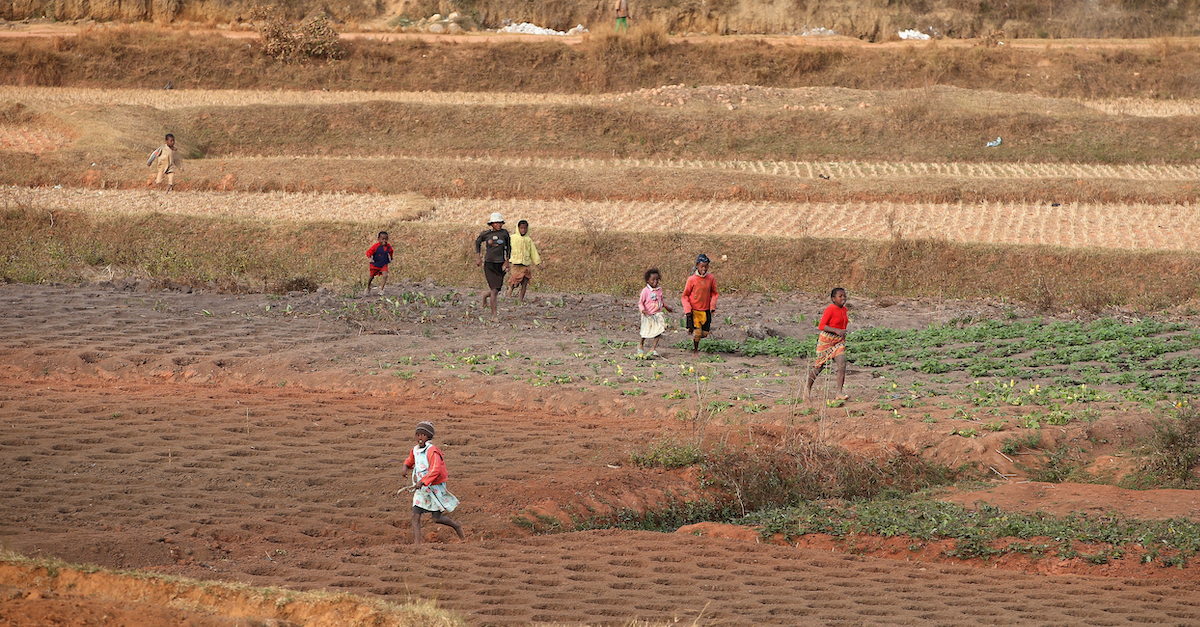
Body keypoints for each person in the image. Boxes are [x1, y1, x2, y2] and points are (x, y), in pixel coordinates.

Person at [404, 421, 465, 546]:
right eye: (417, 435)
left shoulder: (432, 451)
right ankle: (417, 545)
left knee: (437, 518)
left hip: (434, 487)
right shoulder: (415, 450)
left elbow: (435, 469)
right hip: (422, 488)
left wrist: (423, 481)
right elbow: (411, 460)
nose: (419, 437)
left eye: (423, 435)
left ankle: (456, 526)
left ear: (428, 437)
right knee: (415, 514)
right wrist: (405, 466)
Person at [805, 287, 850, 401]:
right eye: (840, 296)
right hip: (826, 340)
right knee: (819, 367)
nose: (843, 298)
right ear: (833, 299)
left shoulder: (844, 309)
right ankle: (807, 389)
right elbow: (821, 326)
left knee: (842, 365)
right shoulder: (830, 309)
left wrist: (841, 332)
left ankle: (839, 393)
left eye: (844, 296)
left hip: (839, 341)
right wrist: (836, 330)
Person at [474, 212, 511, 320]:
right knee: (495, 290)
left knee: (497, 288)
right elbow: (477, 242)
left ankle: (486, 295)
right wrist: (479, 257)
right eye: (496, 223)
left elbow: (509, 247)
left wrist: (507, 261)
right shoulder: (486, 234)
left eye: (500, 223)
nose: (499, 225)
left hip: (500, 264)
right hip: (489, 264)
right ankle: (495, 316)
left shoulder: (505, 233)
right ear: (492, 224)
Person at [681, 254, 718, 357]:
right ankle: (695, 351)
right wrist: (687, 308)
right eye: (702, 266)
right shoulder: (691, 279)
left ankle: (692, 328)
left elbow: (714, 293)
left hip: (705, 310)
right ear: (697, 266)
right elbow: (685, 296)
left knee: (704, 334)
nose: (704, 269)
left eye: (706, 266)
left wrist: (713, 306)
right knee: (698, 333)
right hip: (695, 310)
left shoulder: (710, 278)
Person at [638, 268, 673, 358]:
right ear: (648, 280)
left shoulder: (659, 290)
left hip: (657, 314)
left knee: (659, 330)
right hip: (648, 315)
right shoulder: (645, 291)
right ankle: (641, 344)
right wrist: (642, 310)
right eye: (653, 279)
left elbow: (661, 301)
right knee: (645, 332)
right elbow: (640, 302)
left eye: (657, 279)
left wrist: (666, 307)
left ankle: (653, 348)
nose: (655, 281)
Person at [507, 219, 542, 304]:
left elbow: (533, 252)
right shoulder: (512, 238)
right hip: (516, 264)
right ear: (518, 228)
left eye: (525, 228)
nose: (523, 230)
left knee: (525, 282)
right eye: (521, 228)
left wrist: (538, 263)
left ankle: (520, 300)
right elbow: (507, 249)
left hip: (525, 264)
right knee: (516, 281)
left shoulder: (528, 240)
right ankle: (511, 289)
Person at [366, 231, 394, 295]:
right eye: (382, 239)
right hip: (375, 264)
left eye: (386, 239)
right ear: (378, 239)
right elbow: (369, 252)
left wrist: (391, 257)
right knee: (371, 277)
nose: (384, 241)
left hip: (384, 263)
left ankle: (381, 290)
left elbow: (391, 251)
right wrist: (370, 258)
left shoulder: (388, 246)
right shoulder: (375, 247)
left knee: (385, 275)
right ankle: (368, 287)